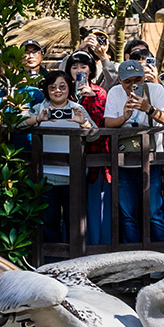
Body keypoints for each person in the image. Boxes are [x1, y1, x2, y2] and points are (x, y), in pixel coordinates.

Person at [103, 59, 164, 243]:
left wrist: (148, 108)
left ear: (144, 78)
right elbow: (108, 122)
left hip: (152, 158)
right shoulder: (115, 92)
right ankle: (133, 261)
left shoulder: (156, 89)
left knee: (153, 211)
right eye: (128, 81)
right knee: (128, 213)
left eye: (138, 80)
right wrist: (124, 117)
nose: (133, 85)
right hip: (123, 159)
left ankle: (160, 258)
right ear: (119, 80)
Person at [24, 70, 95, 243]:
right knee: (49, 222)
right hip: (47, 176)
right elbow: (13, 123)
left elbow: (95, 135)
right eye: (52, 87)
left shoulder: (77, 109)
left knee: (75, 223)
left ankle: (75, 261)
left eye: (62, 87)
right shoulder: (40, 108)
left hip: (73, 176)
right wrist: (37, 119)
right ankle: (51, 263)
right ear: (47, 90)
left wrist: (83, 123)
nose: (57, 91)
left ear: (69, 88)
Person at [66, 52, 112, 245]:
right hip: (68, 158)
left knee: (97, 207)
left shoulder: (100, 93)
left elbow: (102, 125)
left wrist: (92, 99)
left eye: (83, 67)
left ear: (91, 70)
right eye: (74, 67)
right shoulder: (64, 92)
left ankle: (99, 247)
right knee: (71, 207)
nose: (79, 71)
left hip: (97, 158)